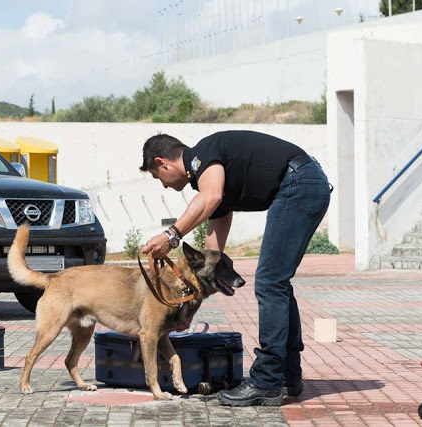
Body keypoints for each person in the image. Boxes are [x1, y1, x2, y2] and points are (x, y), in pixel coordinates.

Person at [140, 130, 332, 407]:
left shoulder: (201, 156)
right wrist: (188, 307)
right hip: (304, 182)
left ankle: (267, 381)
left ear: (162, 163)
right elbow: (210, 258)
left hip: (299, 184)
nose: (164, 186)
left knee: (269, 281)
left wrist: (171, 236)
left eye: (158, 178)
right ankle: (288, 374)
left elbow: (213, 196)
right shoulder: (207, 180)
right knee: (276, 282)